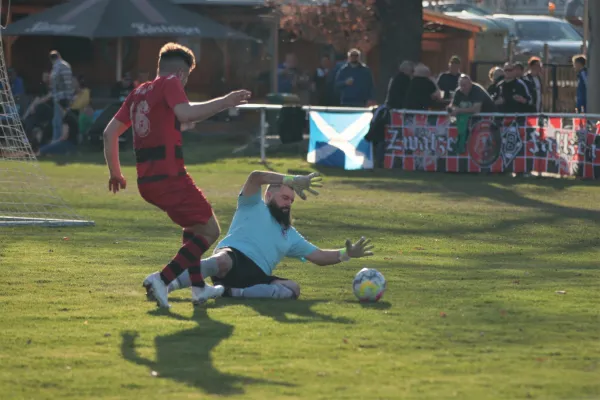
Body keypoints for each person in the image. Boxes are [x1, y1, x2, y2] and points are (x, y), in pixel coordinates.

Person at [102, 42, 252, 309]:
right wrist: (226, 101)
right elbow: (186, 111)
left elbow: (110, 133)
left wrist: (115, 173)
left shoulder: (139, 92)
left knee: (193, 227)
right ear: (181, 74)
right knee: (210, 230)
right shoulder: (171, 83)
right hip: (170, 177)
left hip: (147, 181)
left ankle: (198, 289)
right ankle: (163, 278)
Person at [146, 170, 374, 301]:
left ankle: (232, 293)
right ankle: (165, 282)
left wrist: (347, 254)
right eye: (285, 198)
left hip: (255, 277)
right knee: (221, 260)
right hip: (232, 259)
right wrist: (290, 179)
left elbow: (320, 256)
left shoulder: (290, 234)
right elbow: (255, 177)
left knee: (293, 288)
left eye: (291, 202)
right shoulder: (251, 205)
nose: (288, 204)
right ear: (269, 195)